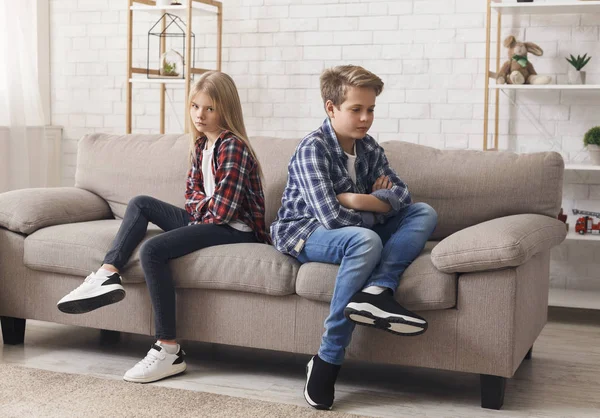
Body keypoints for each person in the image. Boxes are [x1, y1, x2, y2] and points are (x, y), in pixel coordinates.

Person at [57, 71, 270, 384]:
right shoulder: (201, 146)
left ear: (226, 110)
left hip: (236, 228)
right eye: (195, 106)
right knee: (141, 203)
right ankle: (107, 273)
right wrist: (199, 211)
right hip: (208, 219)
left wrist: (198, 212)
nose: (200, 115)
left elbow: (224, 211)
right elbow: (192, 194)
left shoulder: (232, 147)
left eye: (209, 108)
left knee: (153, 249)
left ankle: (168, 350)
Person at [270, 65, 438, 410]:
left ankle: (377, 290)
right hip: (303, 232)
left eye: (371, 109)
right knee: (366, 240)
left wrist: (357, 200)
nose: (365, 118)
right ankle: (327, 359)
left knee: (424, 213)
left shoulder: (369, 148)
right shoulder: (312, 149)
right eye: (356, 109)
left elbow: (403, 195)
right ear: (331, 108)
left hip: (354, 229)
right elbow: (330, 219)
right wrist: (377, 207)